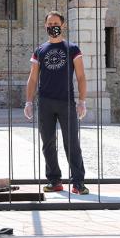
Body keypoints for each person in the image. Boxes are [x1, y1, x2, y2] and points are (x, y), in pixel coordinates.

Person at [24, 11, 89, 195]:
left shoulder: (72, 48)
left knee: (72, 143)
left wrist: (82, 101)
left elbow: (81, 76)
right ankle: (54, 181)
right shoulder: (40, 50)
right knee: (48, 143)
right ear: (45, 27)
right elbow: (32, 78)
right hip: (45, 103)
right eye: (49, 23)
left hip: (66, 102)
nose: (53, 25)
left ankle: (78, 183)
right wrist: (28, 102)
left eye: (56, 22)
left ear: (63, 25)